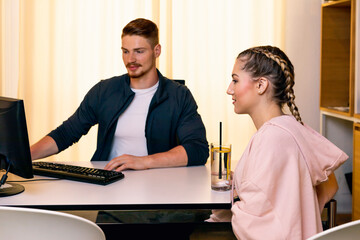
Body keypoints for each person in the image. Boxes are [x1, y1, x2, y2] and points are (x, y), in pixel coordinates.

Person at [30, 18, 209, 171]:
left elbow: (197, 149)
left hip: (159, 188)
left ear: (157, 51)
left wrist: (143, 162)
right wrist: (22, 157)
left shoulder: (178, 95)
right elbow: (66, 133)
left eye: (139, 52)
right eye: (125, 51)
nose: (130, 59)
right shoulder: (104, 91)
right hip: (110, 185)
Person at [209, 46, 348, 239]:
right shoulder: (289, 127)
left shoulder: (272, 139)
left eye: (235, 80)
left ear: (261, 85)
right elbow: (329, 184)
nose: (229, 89)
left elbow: (258, 224)